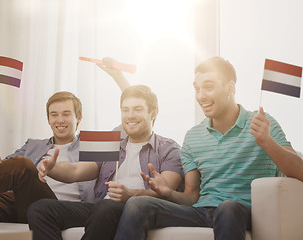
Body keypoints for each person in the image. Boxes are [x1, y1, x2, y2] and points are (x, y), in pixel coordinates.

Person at [113, 56, 303, 240]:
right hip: (202, 212)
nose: (201, 96)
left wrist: (267, 142)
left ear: (230, 88)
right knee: (138, 204)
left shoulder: (263, 123)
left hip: (243, 211)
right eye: (197, 89)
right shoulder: (193, 137)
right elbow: (192, 197)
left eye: (209, 87)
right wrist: (169, 193)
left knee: (227, 208)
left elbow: (300, 171)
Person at [27, 83, 184, 240]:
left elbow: (166, 192)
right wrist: (51, 168)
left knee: (106, 207)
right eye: (125, 109)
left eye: (137, 109)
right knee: (39, 208)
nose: (130, 115)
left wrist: (130, 195)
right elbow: (75, 171)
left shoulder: (169, 148)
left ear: (153, 113)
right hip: (100, 208)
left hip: (134, 210)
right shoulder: (111, 139)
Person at [0, 91, 96, 228]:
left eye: (66, 114)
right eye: (54, 115)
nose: (60, 120)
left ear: (79, 118)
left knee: (23, 166)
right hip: (20, 203)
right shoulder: (33, 145)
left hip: (60, 210)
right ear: (48, 119)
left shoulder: (91, 147)